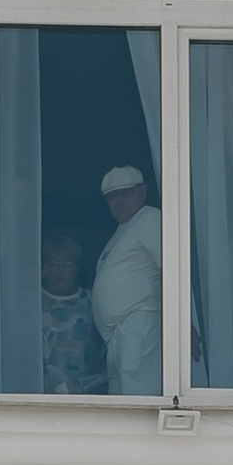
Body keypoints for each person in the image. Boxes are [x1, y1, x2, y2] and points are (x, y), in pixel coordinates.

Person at [91, 163, 162, 395]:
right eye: (112, 197)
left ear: (142, 191)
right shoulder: (124, 229)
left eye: (126, 193)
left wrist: (182, 324)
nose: (119, 201)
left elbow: (171, 270)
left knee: (138, 396)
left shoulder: (149, 218)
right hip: (118, 335)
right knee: (122, 401)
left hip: (140, 323)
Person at [40, 227, 105, 395]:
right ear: (44, 268)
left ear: (76, 269)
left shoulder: (91, 299)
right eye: (54, 264)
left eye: (68, 265)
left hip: (83, 390)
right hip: (41, 391)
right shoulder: (31, 301)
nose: (61, 271)